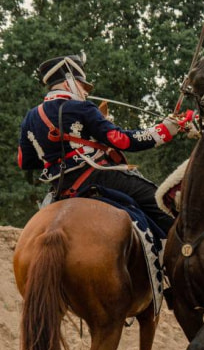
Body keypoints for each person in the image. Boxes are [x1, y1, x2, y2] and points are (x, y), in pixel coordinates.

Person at [18, 54, 188, 233]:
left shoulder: (30, 117)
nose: (86, 92)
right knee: (161, 203)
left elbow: (25, 162)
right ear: (69, 82)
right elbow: (121, 140)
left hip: (59, 187)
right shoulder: (83, 107)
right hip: (97, 177)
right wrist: (165, 130)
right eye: (83, 86)